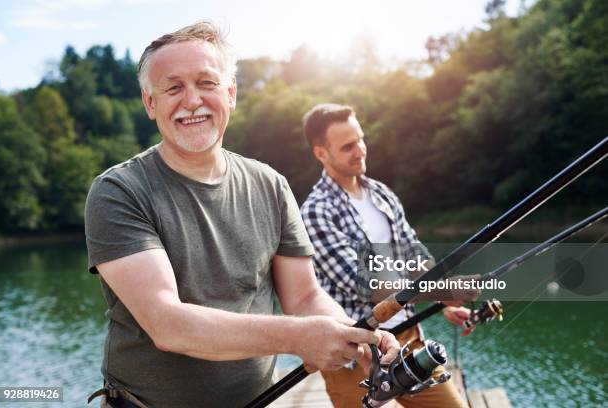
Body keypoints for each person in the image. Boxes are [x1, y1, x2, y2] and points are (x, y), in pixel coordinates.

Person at [84, 23, 399, 408]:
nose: (192, 100)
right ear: (150, 104)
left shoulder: (271, 185)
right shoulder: (118, 191)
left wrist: (350, 332)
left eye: (207, 83)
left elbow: (304, 296)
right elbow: (168, 325)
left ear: (230, 93)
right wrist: (300, 337)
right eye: (173, 87)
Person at [300, 103, 479, 408]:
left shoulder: (382, 194)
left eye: (360, 140)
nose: (359, 151)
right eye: (347, 147)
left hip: (407, 336)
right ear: (321, 154)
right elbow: (365, 283)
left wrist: (442, 300)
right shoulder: (316, 212)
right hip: (353, 350)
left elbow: (414, 254)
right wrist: (444, 291)